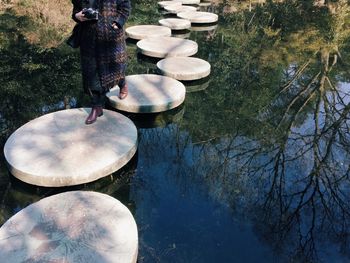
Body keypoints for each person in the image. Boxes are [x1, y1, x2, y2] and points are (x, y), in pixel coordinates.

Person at [71, 0, 131, 124]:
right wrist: (77, 16)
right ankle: (96, 107)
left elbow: (125, 7)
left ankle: (122, 82)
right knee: (90, 74)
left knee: (116, 68)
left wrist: (118, 23)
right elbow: (76, 10)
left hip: (110, 36)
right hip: (88, 38)